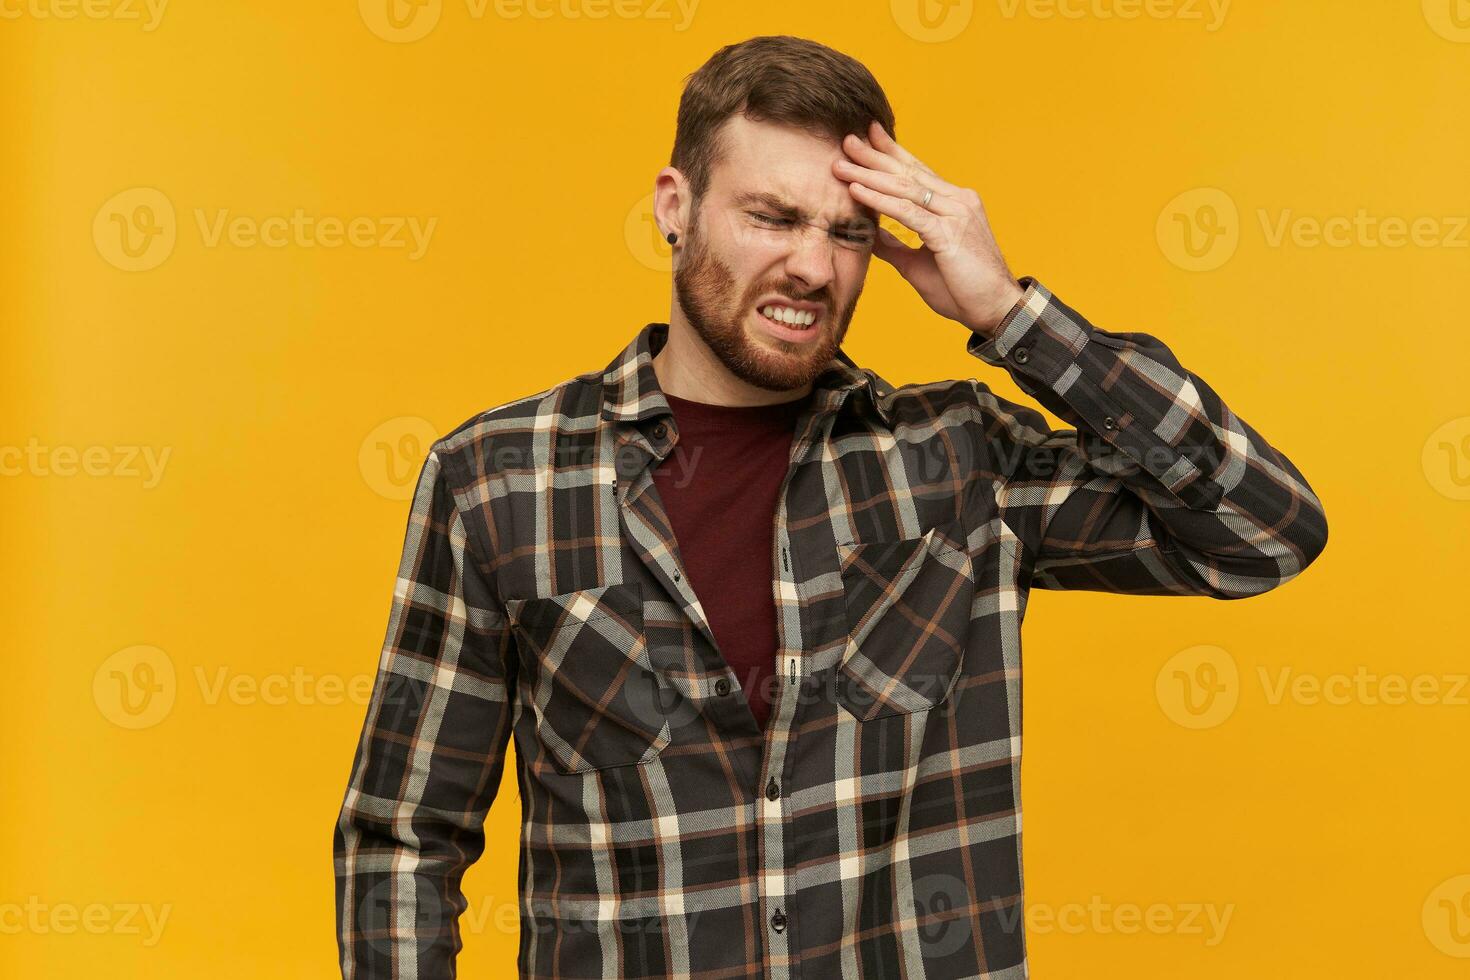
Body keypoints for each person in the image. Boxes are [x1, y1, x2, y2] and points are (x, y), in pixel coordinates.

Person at [334, 34, 1327, 979]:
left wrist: (1010, 313)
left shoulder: (957, 460)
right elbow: (403, 839)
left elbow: (1264, 530)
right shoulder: (499, 480)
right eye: (773, 216)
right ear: (674, 205)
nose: (815, 266)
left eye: (850, 232)